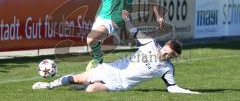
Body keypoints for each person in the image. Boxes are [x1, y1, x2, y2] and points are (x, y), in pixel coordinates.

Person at [32, 10, 200, 94]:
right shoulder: (150, 43)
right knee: (75, 78)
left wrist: (192, 92)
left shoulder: (167, 69)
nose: (164, 54)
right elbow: (134, 32)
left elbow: (172, 88)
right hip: (112, 68)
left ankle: (84, 83)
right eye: (165, 50)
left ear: (173, 56)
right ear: (164, 46)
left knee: (90, 91)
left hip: (121, 84)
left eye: (168, 55)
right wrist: (127, 19)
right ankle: (49, 85)